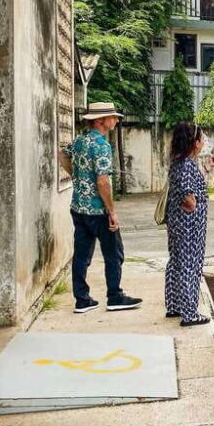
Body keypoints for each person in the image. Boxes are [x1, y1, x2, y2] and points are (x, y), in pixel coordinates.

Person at [58, 102, 142, 314]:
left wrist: (78, 176)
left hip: (78, 207)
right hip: (98, 210)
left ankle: (82, 300)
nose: (115, 120)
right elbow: (103, 182)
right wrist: (112, 211)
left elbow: (61, 155)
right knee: (114, 253)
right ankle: (114, 296)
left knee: (81, 255)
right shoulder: (102, 145)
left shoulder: (79, 141)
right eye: (111, 117)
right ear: (100, 121)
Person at [164, 122, 214, 327]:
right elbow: (188, 195)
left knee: (177, 262)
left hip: (178, 222)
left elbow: (190, 183)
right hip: (190, 224)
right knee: (190, 265)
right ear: (194, 143)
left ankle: (175, 305)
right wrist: (193, 205)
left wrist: (209, 166)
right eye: (202, 139)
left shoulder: (179, 162)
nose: (204, 142)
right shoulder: (186, 165)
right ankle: (190, 313)